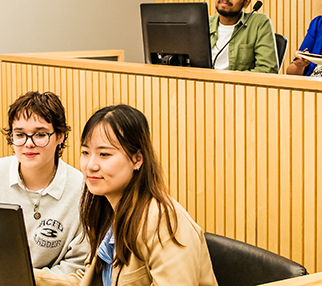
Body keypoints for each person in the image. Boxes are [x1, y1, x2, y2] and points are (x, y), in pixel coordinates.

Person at [36, 104, 217, 286]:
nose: (90, 165)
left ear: (137, 159)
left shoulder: (164, 221)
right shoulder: (108, 211)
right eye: (85, 152)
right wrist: (23, 274)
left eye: (104, 154)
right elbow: (90, 281)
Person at [0, 92, 88, 276]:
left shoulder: (82, 191)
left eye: (40, 134)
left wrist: (22, 278)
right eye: (20, 134)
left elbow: (78, 266)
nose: (28, 144)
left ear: (60, 136)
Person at [208, 0, 279, 73]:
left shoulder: (259, 23)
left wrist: (228, 80)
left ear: (246, 2)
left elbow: (268, 69)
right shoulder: (204, 23)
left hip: (238, 88)